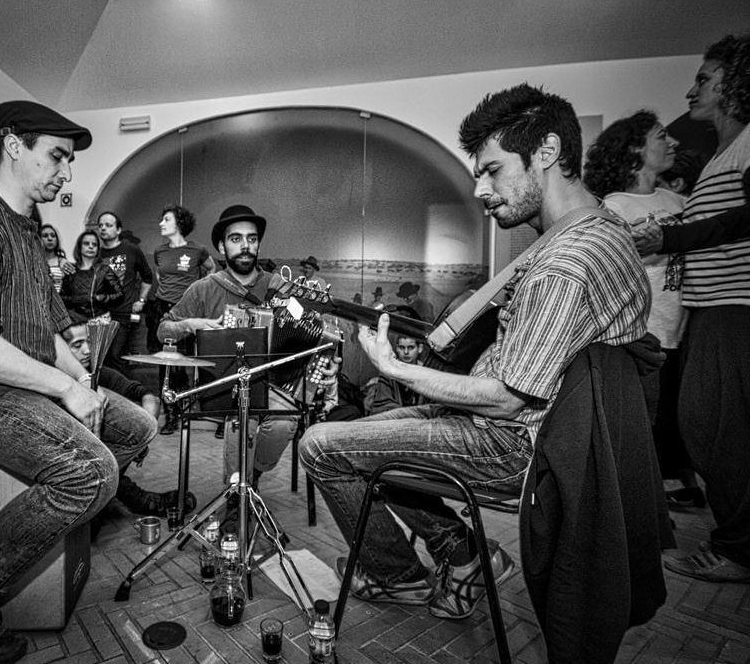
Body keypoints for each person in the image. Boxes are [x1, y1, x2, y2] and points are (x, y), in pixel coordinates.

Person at [299, 84, 650, 620]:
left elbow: (507, 397)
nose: (481, 189)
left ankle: (400, 576)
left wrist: (395, 367)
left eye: (492, 170)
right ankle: (464, 556)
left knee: (321, 446)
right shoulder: (604, 229)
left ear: (547, 152)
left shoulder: (566, 264)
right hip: (521, 429)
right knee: (366, 432)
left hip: (511, 443)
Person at [0, 100, 156, 663]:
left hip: (9, 384)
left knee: (135, 426)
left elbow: (45, 335)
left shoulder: (26, 230)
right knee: (90, 471)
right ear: (13, 145)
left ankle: (65, 515)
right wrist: (63, 390)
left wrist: (82, 378)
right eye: (57, 156)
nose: (66, 172)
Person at [653, 34, 750, 584]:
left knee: (717, 431)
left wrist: (670, 239)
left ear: (735, 83)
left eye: (705, 78)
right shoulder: (723, 154)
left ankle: (738, 549)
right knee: (709, 427)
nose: (692, 90)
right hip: (713, 309)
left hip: (736, 308)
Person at [584, 111, 702, 508]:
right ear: (635, 148)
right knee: (641, 424)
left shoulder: (681, 202)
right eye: (661, 135)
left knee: (675, 421)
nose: (673, 143)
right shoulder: (614, 207)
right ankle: (640, 505)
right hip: (641, 334)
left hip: (683, 328)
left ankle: (671, 490)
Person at [158, 205, 299, 501]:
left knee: (285, 420)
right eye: (236, 239)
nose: (245, 245)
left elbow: (304, 330)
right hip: (220, 385)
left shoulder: (278, 286)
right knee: (241, 416)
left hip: (269, 383)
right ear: (222, 247)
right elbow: (163, 329)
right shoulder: (203, 289)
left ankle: (250, 476)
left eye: (252, 238)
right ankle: (237, 495)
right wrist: (191, 324)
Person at [63, 321, 195, 518]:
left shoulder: (97, 372)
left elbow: (149, 397)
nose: (87, 350)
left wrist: (143, 437)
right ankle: (134, 498)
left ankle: (126, 497)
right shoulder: (54, 380)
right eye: (77, 345)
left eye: (89, 342)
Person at [148, 204, 216, 434]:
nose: (161, 223)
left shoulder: (198, 250)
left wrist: (198, 292)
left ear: (179, 223)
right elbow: (160, 275)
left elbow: (212, 269)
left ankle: (185, 410)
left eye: (166, 219)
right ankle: (170, 415)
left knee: (183, 365)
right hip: (162, 310)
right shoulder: (159, 251)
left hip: (186, 311)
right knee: (165, 364)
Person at [96, 211, 153, 374]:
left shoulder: (131, 250)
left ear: (118, 230)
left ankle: (122, 389)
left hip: (122, 313)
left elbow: (148, 277)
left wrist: (141, 300)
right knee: (102, 358)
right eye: (100, 225)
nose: (103, 228)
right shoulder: (96, 253)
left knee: (117, 356)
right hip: (100, 314)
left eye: (108, 225)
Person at [59, 229, 123, 318]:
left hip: (99, 320)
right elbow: (61, 298)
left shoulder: (104, 270)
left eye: (94, 244)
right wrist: (75, 299)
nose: (91, 247)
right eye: (86, 243)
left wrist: (99, 298)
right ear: (79, 247)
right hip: (75, 320)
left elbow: (120, 295)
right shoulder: (71, 270)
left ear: (97, 249)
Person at [366, 335, 424, 414]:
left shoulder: (425, 372)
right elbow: (383, 405)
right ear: (396, 348)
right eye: (402, 347)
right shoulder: (389, 370)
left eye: (411, 347)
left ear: (420, 348)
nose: (406, 352)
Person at [39, 223, 69, 293]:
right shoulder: (34, 261)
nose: (50, 239)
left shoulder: (63, 262)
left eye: (53, 236)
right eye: (45, 236)